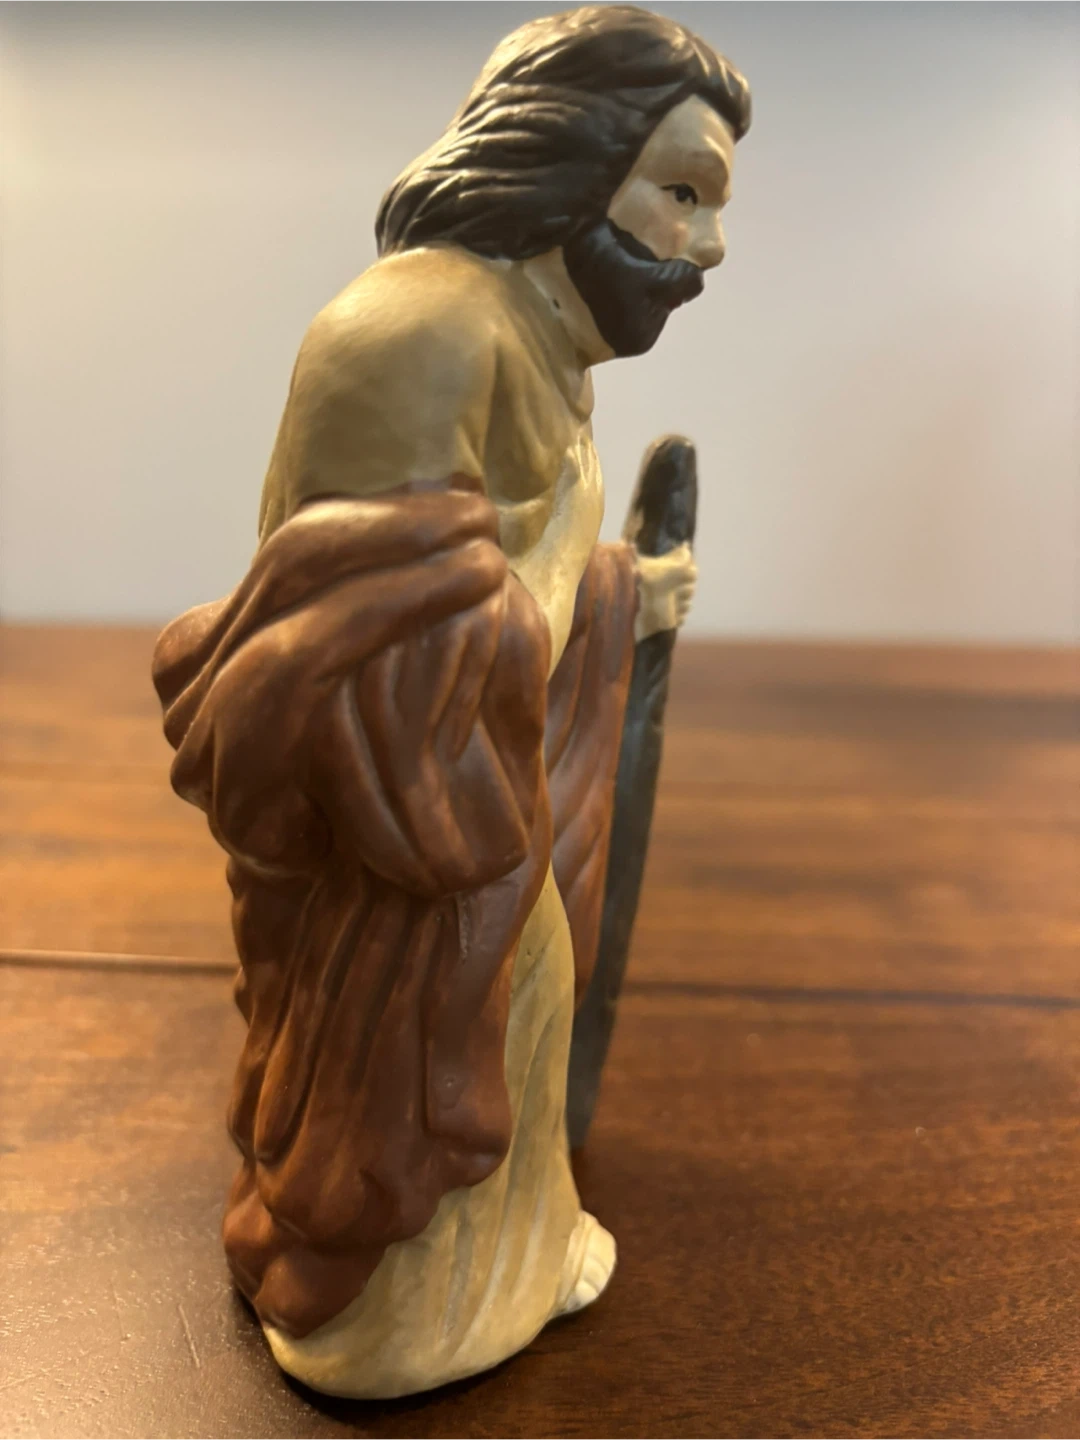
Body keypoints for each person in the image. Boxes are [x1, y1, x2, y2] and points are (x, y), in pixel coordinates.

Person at [153, 4, 750, 1399]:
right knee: (421, 1047)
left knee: (523, 1006)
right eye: (683, 193)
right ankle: (383, 1323)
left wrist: (618, 595)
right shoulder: (418, 328)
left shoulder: (545, 339)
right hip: (411, 821)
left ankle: (515, 1263)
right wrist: (514, 623)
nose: (711, 246)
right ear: (570, 158)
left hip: (487, 797)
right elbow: (357, 625)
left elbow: (517, 564)